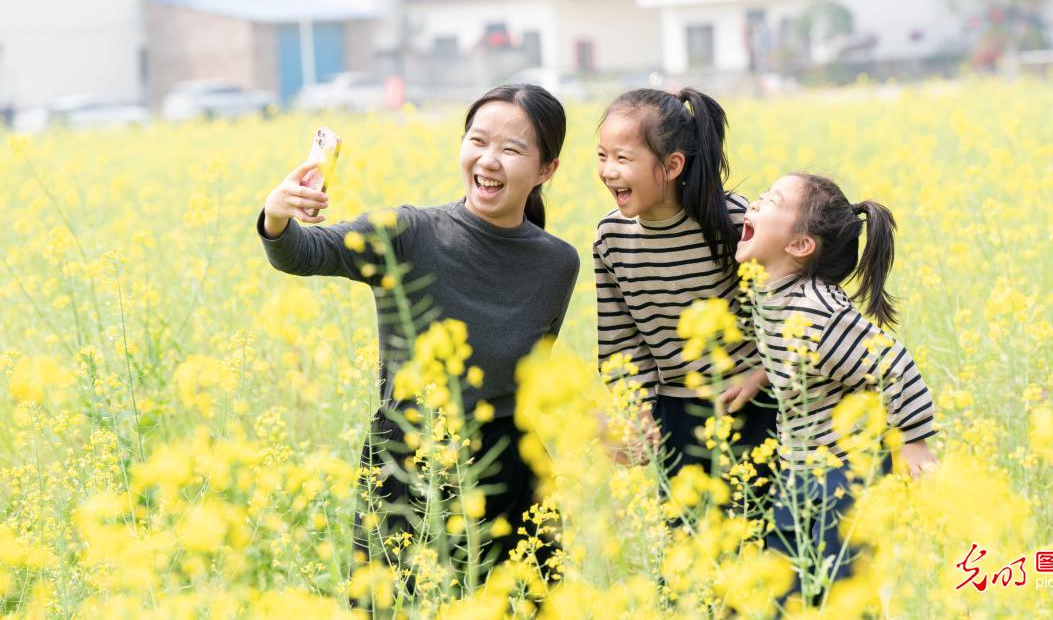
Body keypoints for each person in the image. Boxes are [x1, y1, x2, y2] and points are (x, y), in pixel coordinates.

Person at [256, 84, 580, 606]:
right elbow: (301, 252)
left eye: (512, 149)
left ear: (546, 169)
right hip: (405, 455)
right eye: (478, 140)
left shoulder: (557, 263)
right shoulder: (406, 232)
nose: (489, 159)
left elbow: (532, 377)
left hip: (509, 461)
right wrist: (277, 214)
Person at [719, 172, 938, 603]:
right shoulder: (772, 291)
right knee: (786, 587)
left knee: (846, 593)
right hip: (799, 466)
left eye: (771, 202)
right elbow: (796, 349)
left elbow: (892, 365)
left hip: (848, 472)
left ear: (800, 246)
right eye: (760, 197)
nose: (755, 205)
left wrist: (914, 442)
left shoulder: (817, 311)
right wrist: (762, 373)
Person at [593, 87, 776, 478]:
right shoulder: (611, 237)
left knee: (760, 531)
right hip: (673, 411)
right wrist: (638, 408)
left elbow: (783, 305)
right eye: (602, 156)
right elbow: (620, 339)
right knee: (688, 535)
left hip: (754, 400)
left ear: (673, 165)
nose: (608, 170)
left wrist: (761, 373)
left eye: (623, 158)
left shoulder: (733, 219)